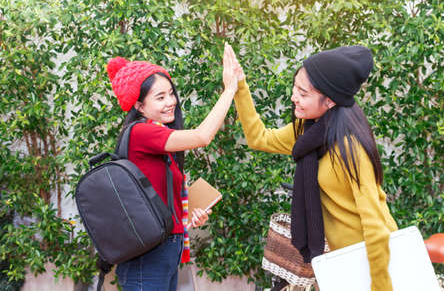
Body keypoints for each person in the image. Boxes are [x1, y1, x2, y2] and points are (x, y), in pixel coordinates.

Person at [227, 45, 398, 291]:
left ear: (329, 101)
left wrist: (381, 285)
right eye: (295, 87)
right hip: (342, 260)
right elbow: (259, 138)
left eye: (303, 92)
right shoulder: (307, 132)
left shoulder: (350, 147)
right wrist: (240, 86)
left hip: (374, 258)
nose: (293, 96)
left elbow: (374, 225)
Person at [106, 43, 238, 291]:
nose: (171, 102)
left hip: (166, 250)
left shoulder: (159, 136)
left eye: (170, 93)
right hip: (149, 257)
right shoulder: (141, 133)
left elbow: (161, 202)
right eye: (160, 97)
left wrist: (191, 214)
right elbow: (202, 136)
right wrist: (230, 89)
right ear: (138, 105)